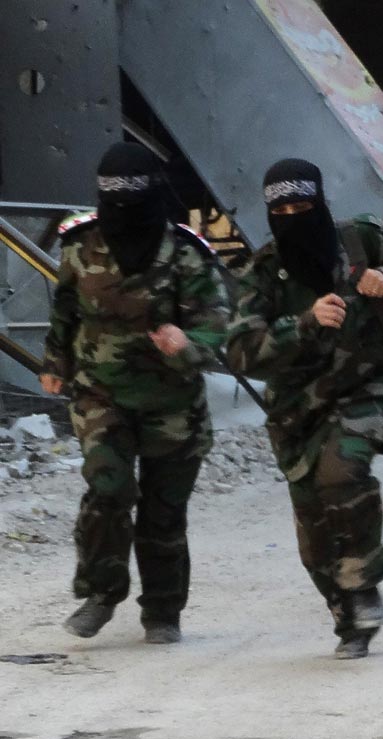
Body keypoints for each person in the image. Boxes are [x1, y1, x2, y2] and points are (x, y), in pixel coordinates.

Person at [225, 158, 383, 658]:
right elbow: (241, 351)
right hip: (297, 411)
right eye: (283, 208)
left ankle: (363, 584)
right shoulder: (263, 272)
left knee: (341, 472)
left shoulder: (360, 240)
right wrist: (304, 322)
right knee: (314, 538)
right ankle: (348, 616)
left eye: (304, 205)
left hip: (369, 389)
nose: (295, 215)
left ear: (322, 203)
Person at [41, 142, 230, 645]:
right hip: (101, 395)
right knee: (108, 489)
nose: (122, 208)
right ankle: (101, 593)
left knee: (164, 513)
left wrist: (188, 345)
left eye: (132, 194)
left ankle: (163, 611)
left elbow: (216, 328)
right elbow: (64, 308)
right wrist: (55, 361)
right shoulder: (79, 245)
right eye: (112, 195)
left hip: (173, 403)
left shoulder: (188, 252)